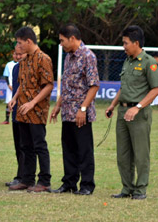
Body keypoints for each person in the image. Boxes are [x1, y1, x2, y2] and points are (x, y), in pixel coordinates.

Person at [106, 25, 158, 200]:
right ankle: (127, 188)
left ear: (136, 43)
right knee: (123, 153)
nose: (124, 46)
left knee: (141, 153)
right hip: (122, 112)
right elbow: (124, 87)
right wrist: (113, 105)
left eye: (126, 43)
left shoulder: (149, 62)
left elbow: (155, 89)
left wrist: (138, 107)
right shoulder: (127, 61)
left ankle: (140, 189)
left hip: (139, 114)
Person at [50, 24, 100, 195]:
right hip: (67, 112)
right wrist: (58, 105)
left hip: (81, 114)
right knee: (69, 149)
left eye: (62, 41)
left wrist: (83, 109)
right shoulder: (68, 57)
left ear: (72, 38)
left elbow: (94, 86)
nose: (61, 44)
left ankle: (86, 185)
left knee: (84, 150)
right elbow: (66, 85)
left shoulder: (88, 56)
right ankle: (69, 183)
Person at [8, 27, 54, 192]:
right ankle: (27, 179)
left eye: (20, 43)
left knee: (39, 145)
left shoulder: (44, 59)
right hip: (22, 110)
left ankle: (44, 181)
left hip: (36, 110)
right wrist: (14, 99)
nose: (18, 46)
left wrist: (32, 103)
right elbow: (22, 83)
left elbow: (49, 85)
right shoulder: (25, 60)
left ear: (28, 41)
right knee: (25, 145)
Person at [5, 46, 26, 187]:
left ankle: (24, 177)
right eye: (16, 54)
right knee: (18, 145)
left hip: (27, 112)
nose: (18, 56)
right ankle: (20, 176)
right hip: (16, 111)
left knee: (25, 146)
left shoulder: (31, 67)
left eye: (20, 54)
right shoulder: (15, 68)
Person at [1, 53, 19, 124]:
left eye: (16, 54)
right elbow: (6, 76)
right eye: (14, 54)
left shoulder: (22, 63)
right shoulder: (8, 64)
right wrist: (9, 85)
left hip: (18, 87)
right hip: (10, 87)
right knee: (9, 102)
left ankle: (16, 118)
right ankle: (7, 119)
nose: (15, 56)